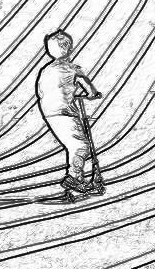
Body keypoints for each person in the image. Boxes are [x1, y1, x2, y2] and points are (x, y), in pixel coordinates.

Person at [36, 29, 104, 196]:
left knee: (73, 145)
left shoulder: (46, 70)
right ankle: (74, 178)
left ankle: (77, 178)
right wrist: (92, 95)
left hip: (49, 112)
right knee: (81, 146)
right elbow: (88, 87)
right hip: (65, 111)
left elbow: (40, 91)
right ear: (70, 49)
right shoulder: (73, 68)